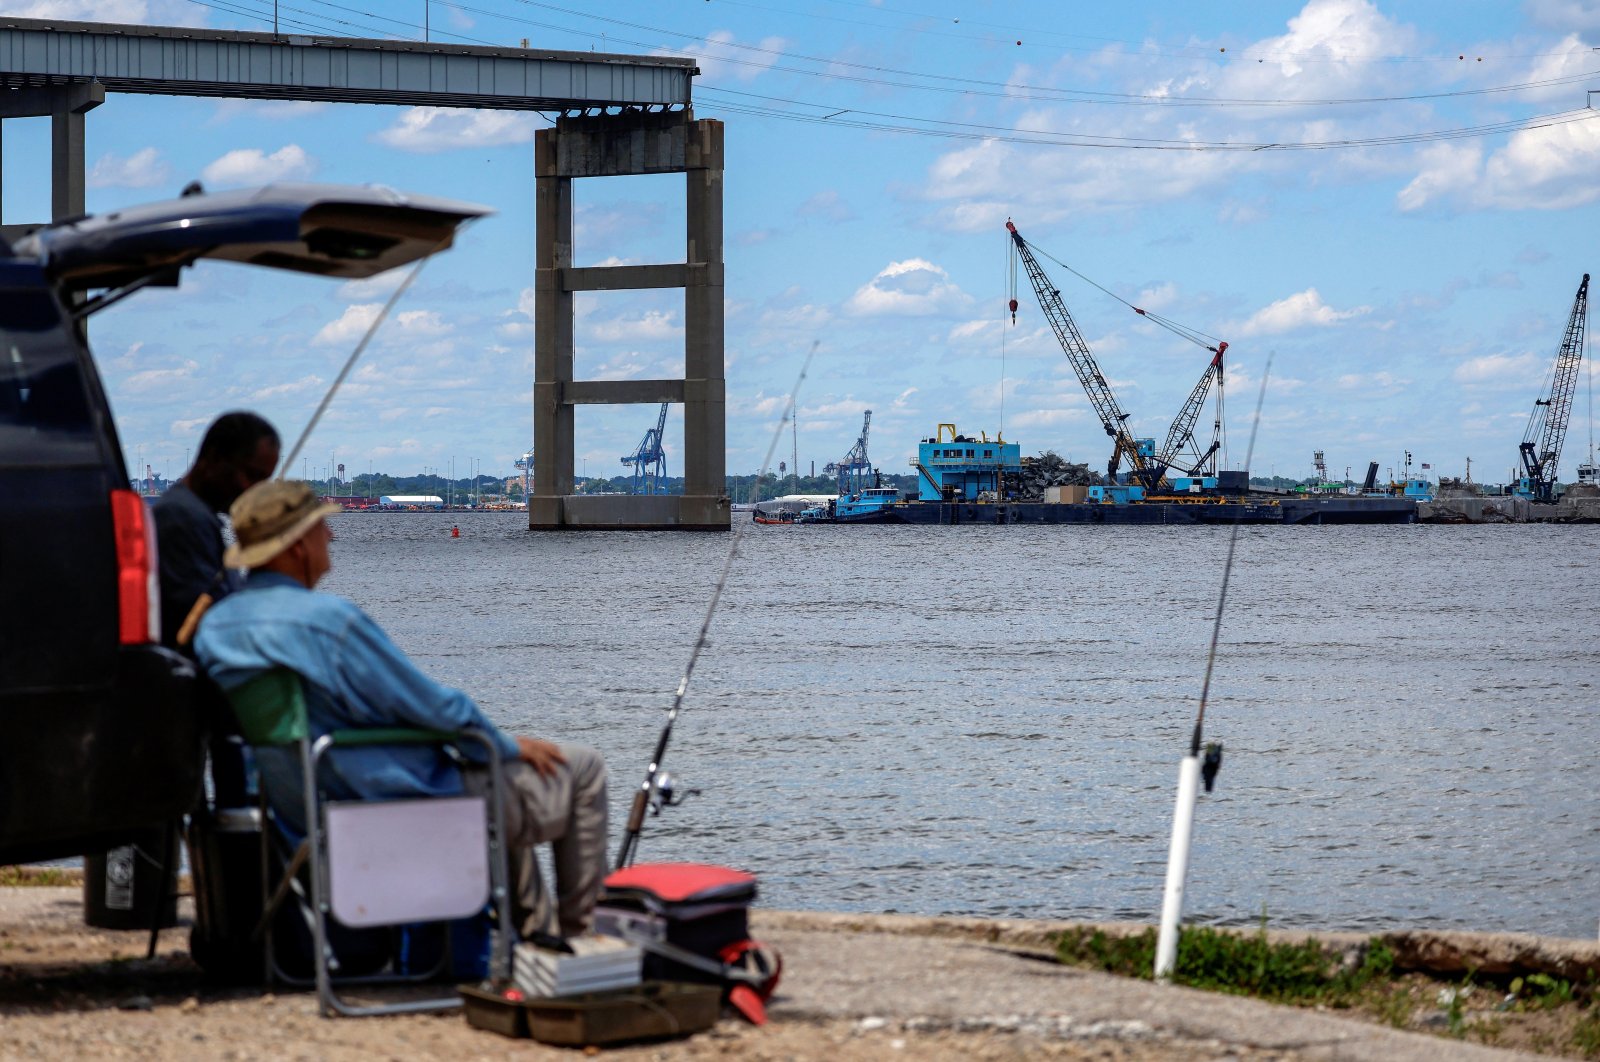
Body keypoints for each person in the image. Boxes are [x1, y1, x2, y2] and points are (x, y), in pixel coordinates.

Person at [194, 479, 608, 940]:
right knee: (578, 768)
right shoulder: (329, 623)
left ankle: (535, 938)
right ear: (294, 546)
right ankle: (584, 941)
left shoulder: (215, 628)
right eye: (320, 528)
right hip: (394, 805)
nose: (330, 536)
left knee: (491, 766)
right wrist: (505, 743)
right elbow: (435, 707)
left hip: (303, 814)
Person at [153, 411, 281, 649]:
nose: (254, 492)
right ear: (214, 458)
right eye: (251, 475)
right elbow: (207, 626)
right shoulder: (180, 519)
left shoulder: (197, 517)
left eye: (263, 482)